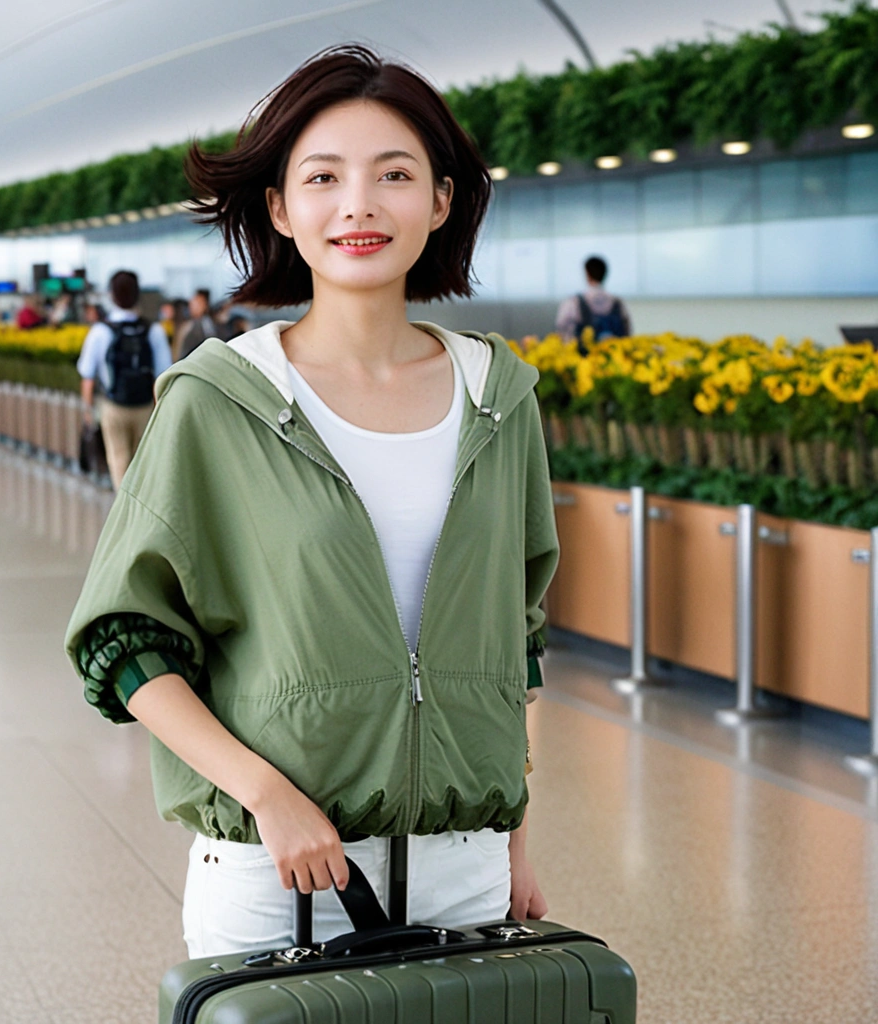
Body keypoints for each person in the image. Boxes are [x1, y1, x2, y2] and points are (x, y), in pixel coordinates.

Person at [65, 44, 559, 959]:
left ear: (442, 201)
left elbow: (516, 637)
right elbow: (122, 639)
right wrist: (268, 796)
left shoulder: (502, 397)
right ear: (282, 209)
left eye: (395, 174)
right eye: (323, 177)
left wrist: (516, 834)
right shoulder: (218, 399)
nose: (360, 204)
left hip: (471, 874)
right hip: (280, 875)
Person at [75, 270, 172, 489]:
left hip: (112, 407)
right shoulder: (153, 330)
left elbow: (87, 377)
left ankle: (124, 508)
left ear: (111, 295)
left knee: (118, 459)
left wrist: (88, 411)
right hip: (145, 406)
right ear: (138, 295)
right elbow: (164, 376)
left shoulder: (100, 332)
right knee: (144, 462)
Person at [554, 255, 631, 351]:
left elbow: (562, 328)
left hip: (583, 362)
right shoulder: (618, 303)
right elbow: (627, 333)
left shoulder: (574, 303)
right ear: (605, 274)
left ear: (587, 273)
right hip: (615, 360)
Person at [173, 289, 216, 360]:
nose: (193, 307)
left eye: (198, 304)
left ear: (205, 305)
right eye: (192, 304)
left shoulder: (207, 323)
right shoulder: (186, 325)